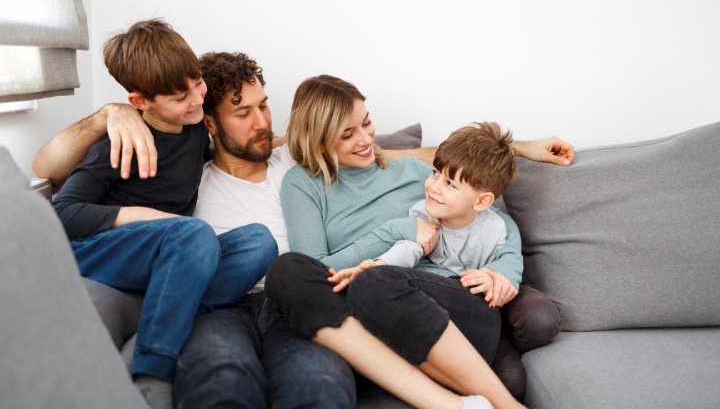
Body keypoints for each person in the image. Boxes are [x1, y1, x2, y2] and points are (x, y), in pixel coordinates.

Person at [34, 56, 573, 407]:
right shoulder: (184, 173)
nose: (261, 122)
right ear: (210, 122)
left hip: (308, 308)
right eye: (241, 113)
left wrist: (520, 147)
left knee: (319, 389)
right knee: (223, 379)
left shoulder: (299, 157)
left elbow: (429, 160)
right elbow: (49, 166)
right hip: (230, 304)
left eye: (264, 105)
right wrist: (109, 115)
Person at [265, 75, 560, 408]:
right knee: (286, 270)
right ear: (317, 139)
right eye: (347, 134)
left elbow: (492, 218)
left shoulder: (408, 170)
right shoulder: (303, 184)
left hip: (451, 310)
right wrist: (398, 230)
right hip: (365, 320)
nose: (365, 140)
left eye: (366, 123)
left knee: (376, 281)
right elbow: (318, 271)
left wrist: (504, 271)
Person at [49, 23, 277, 408]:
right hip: (97, 249)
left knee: (260, 240)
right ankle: (151, 372)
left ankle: (169, 309)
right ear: (140, 101)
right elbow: (63, 213)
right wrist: (148, 217)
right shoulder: (120, 144)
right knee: (194, 234)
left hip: (165, 251)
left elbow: (235, 146)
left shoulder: (192, 131)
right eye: (179, 97)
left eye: (197, 85)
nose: (195, 100)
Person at [330, 121, 520, 307]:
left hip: (478, 299)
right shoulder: (423, 213)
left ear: (481, 202)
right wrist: (378, 265)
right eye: (435, 173)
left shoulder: (496, 230)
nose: (434, 188)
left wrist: (494, 278)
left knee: (536, 314)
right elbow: (408, 248)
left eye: (450, 184)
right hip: (440, 290)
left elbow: (509, 262)